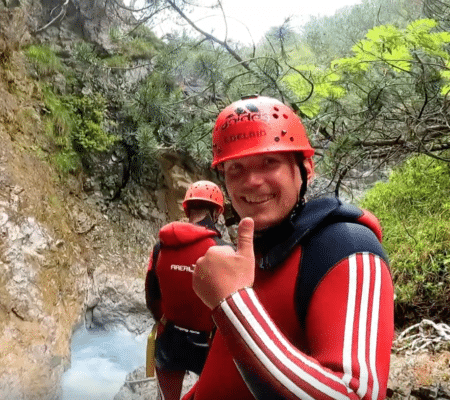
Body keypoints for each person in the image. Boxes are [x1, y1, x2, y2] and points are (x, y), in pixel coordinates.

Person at [184, 95, 395, 400]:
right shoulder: (258, 250)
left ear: (306, 167)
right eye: (236, 169)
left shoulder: (347, 247)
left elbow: (354, 394)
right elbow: (225, 370)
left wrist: (232, 302)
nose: (251, 181)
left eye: (269, 162)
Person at [145, 180, 232, 400]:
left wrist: (165, 321)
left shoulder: (161, 246)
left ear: (187, 209)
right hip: (207, 346)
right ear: (217, 212)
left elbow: (152, 296)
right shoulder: (223, 250)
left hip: (169, 341)